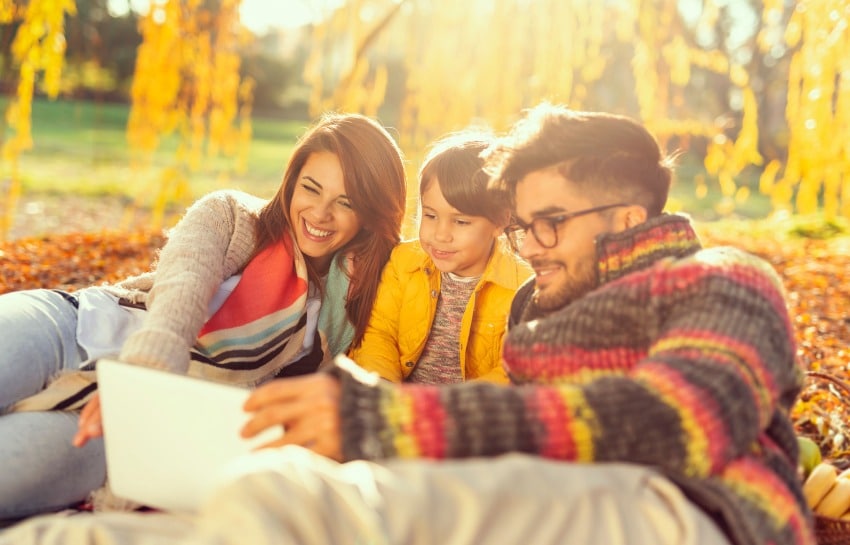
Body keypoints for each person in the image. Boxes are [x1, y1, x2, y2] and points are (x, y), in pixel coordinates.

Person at [0, 104, 813, 545]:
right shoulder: (540, 314)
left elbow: (672, 420)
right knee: (277, 492)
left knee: (325, 507)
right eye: (522, 227)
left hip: (687, 512)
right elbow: (515, 449)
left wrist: (379, 419)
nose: (530, 248)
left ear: (628, 214)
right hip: (552, 499)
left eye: (548, 223)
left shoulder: (725, 282)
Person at [0, 111, 407, 520]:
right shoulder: (233, 217)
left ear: (371, 212)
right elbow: (182, 285)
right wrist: (145, 373)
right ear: (292, 180)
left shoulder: (347, 315)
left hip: (142, 428)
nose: (320, 213)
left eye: (346, 202)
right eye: (311, 189)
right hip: (75, 331)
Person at [347, 131, 532, 384]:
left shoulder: (521, 288)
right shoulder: (404, 262)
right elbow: (379, 332)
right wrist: (384, 388)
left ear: (500, 220)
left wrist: (446, 409)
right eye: (431, 215)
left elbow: (512, 370)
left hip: (467, 414)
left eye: (461, 221)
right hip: (396, 402)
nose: (441, 235)